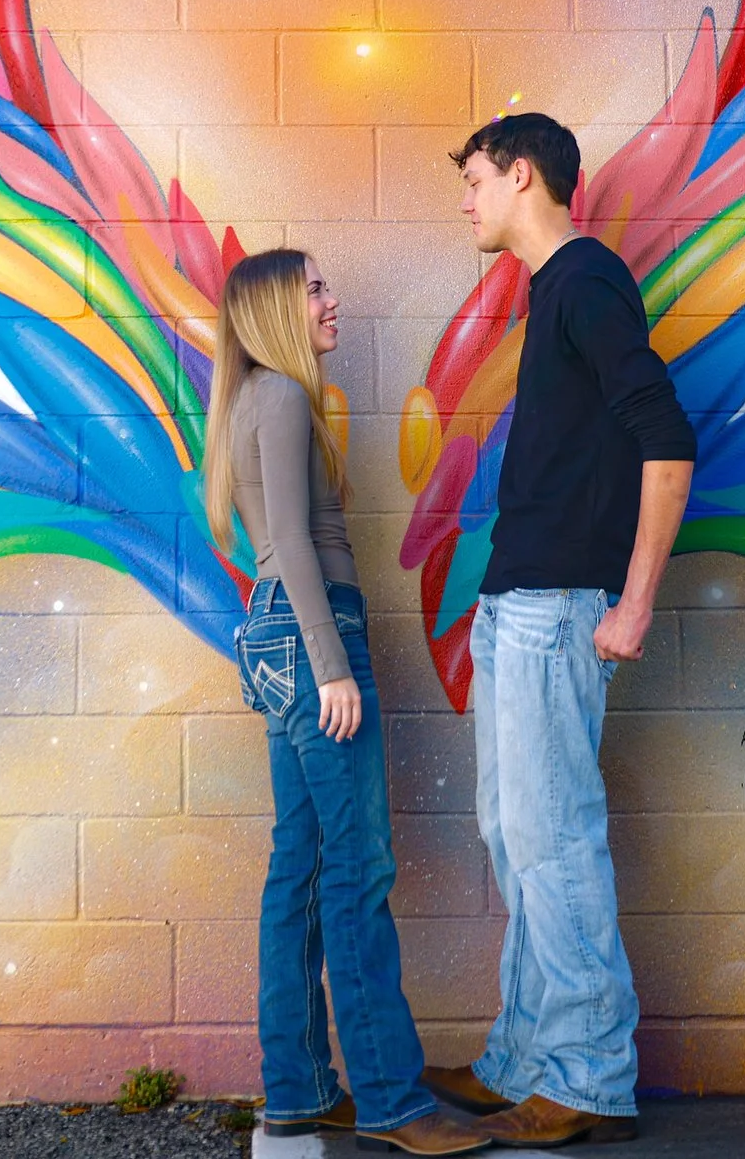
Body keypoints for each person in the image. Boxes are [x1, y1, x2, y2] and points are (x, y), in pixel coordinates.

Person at [423, 115, 695, 1148]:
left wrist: (632, 603)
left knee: (554, 841)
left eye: (475, 178)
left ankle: (587, 1077)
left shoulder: (582, 281)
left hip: (557, 611)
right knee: (513, 832)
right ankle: (524, 1057)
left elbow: (665, 440)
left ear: (521, 174)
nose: (467, 202)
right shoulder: (555, 289)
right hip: (517, 603)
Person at [207, 248, 491, 1157]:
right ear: (279, 311)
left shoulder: (254, 397)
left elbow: (271, 542)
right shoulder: (285, 396)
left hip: (274, 631)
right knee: (355, 868)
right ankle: (393, 1100)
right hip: (312, 631)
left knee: (300, 863)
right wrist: (333, 664)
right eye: (317, 289)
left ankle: (296, 1089)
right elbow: (290, 537)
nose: (333, 300)